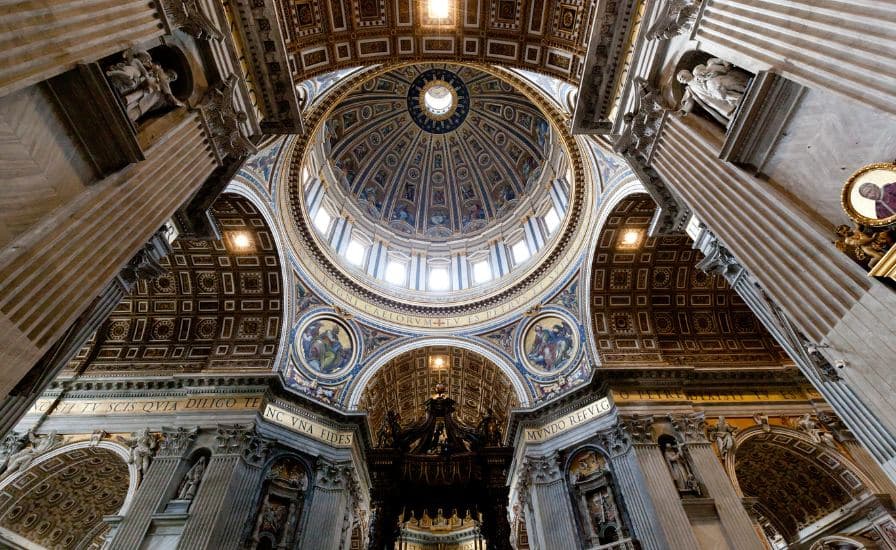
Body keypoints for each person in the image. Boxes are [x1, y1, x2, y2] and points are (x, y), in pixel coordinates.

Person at [677, 57, 749, 122]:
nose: (682, 78)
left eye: (682, 75)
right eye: (680, 79)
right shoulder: (689, 89)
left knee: (721, 89)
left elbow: (710, 72)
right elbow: (689, 102)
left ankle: (738, 98)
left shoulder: (697, 74)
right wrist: (683, 110)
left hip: (715, 88)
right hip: (711, 100)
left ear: (688, 72)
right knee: (723, 102)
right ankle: (734, 109)